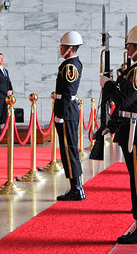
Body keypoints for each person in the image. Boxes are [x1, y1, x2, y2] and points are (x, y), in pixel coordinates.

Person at [101, 24, 137, 244]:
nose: (127, 49)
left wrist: (108, 86)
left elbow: (125, 100)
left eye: (130, 46)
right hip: (135, 128)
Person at [54, 31, 85, 201]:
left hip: (66, 111)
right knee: (69, 150)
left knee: (69, 150)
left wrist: (60, 114)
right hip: (68, 110)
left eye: (63, 46)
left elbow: (67, 92)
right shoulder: (71, 64)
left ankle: (76, 188)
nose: (61, 49)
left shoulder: (70, 66)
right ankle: (75, 187)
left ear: (70, 48)